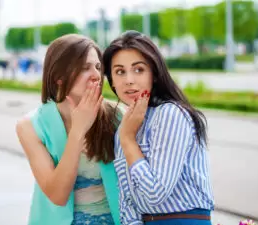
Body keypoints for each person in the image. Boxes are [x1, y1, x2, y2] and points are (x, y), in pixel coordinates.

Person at [102, 30, 215, 225]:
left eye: (138, 69)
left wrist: (128, 140)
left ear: (154, 74)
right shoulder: (125, 127)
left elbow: (156, 193)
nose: (129, 79)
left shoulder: (170, 115)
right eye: (120, 71)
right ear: (112, 81)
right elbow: (127, 202)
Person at [16, 34, 121, 225]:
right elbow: (58, 195)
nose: (96, 75)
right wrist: (78, 131)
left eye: (98, 67)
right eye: (84, 68)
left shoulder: (117, 115)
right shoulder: (30, 126)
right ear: (59, 77)